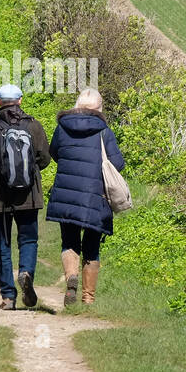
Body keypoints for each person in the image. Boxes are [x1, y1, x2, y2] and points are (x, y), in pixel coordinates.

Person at [45, 87, 125, 306]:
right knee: (92, 246)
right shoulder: (104, 132)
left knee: (69, 241)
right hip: (95, 197)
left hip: (66, 194)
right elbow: (117, 164)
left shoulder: (62, 127)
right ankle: (88, 299)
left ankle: (71, 276)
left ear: (77, 105)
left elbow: (54, 153)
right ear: (99, 108)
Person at [0, 84, 51, 310]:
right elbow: (45, 158)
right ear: (20, 100)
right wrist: (27, 174)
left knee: (2, 245)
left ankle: (8, 297)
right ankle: (26, 271)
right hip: (28, 194)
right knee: (28, 239)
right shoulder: (33, 126)